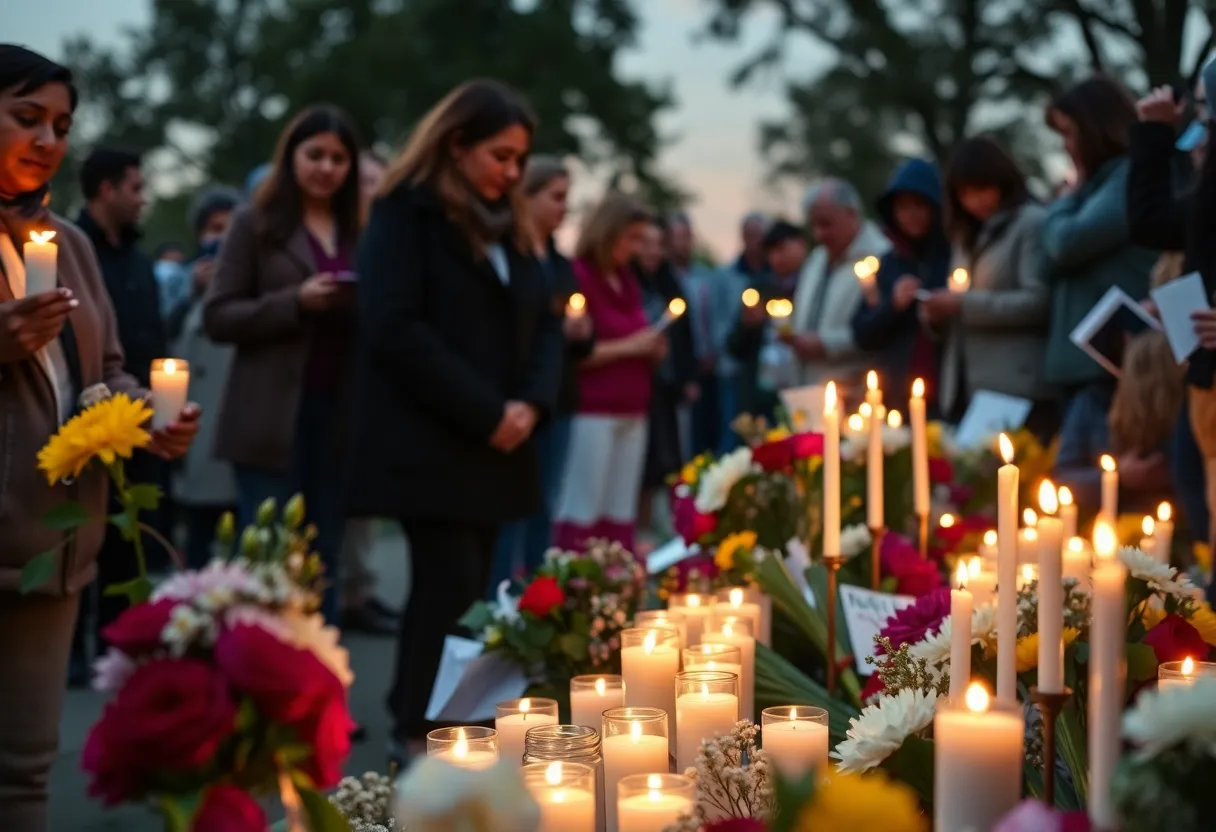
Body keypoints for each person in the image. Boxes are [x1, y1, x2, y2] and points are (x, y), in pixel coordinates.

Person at [0, 45, 198, 831]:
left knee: (24, 767)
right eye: (27, 117)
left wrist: (147, 416)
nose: (48, 138)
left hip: (52, 537)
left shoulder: (71, 245)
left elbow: (102, 373)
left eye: (61, 125)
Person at [343, 80, 561, 761]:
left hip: (501, 441)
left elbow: (546, 323)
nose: (513, 172)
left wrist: (531, 404)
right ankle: (419, 727)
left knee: (472, 590)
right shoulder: (406, 215)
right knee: (444, 586)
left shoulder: (510, 227)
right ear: (457, 143)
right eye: (501, 155)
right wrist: (487, 411)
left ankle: (457, 718)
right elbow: (395, 326)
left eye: (520, 159)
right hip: (435, 440)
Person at [205, 104, 363, 625]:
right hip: (269, 417)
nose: (326, 167)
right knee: (269, 554)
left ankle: (322, 668)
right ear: (290, 156)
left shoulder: (360, 230)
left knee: (326, 554)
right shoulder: (254, 223)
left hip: (339, 415)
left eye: (338, 158)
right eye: (315, 154)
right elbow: (219, 315)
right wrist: (295, 301)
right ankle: (262, 667)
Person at [72, 146, 173, 676]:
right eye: (135, 188)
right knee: (80, 534)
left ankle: (118, 646)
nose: (143, 199)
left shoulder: (139, 260)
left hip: (139, 419)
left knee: (127, 538)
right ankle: (71, 648)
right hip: (83, 422)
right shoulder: (69, 251)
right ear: (106, 189)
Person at [486, 155, 594, 592]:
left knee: (544, 503)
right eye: (556, 197)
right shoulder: (506, 256)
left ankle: (536, 595)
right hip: (515, 399)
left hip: (556, 398)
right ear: (526, 197)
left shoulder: (560, 264)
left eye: (567, 198)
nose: (563, 208)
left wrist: (581, 333)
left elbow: (575, 340)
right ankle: (500, 594)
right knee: (508, 506)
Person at [1127, 59, 1216, 574]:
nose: (1200, 123)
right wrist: (1154, 135)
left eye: (1204, 106)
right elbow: (1152, 223)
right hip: (1204, 383)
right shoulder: (1207, 193)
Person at [1042, 75, 1156, 469]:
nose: (1066, 146)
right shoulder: (1095, 188)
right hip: (1080, 369)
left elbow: (1066, 243)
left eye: (1069, 133)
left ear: (1095, 128)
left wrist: (1063, 200)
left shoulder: (1128, 178)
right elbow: (1047, 261)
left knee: (1096, 483)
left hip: (1107, 370)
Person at [920, 136, 1055, 437]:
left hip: (1017, 384)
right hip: (968, 385)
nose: (975, 201)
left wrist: (963, 304)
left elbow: (1038, 302)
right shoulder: (966, 234)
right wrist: (936, 315)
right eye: (965, 193)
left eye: (982, 189)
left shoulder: (1030, 224)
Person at [552, 192, 663, 552]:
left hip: (633, 407)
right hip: (593, 409)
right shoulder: (580, 276)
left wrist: (652, 348)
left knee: (619, 505)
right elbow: (576, 353)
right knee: (584, 503)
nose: (637, 248)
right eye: (632, 238)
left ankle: (614, 575)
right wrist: (633, 346)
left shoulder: (627, 280)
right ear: (609, 231)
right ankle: (576, 573)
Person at [340, 147, 399, 635]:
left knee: (363, 504)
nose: (371, 191)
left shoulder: (389, 239)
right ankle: (341, 591)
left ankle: (359, 589)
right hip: (337, 381)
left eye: (378, 181)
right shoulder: (339, 240)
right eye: (363, 181)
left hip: (374, 386)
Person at [172, 186, 241, 569]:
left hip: (238, 430)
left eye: (231, 228)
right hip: (199, 432)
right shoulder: (180, 289)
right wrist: (193, 293)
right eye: (215, 228)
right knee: (199, 535)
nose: (222, 239)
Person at [851, 162, 946, 406]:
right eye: (902, 207)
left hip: (947, 389)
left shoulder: (953, 256)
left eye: (919, 205)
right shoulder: (889, 263)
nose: (910, 215)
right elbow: (862, 333)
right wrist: (892, 305)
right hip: (895, 392)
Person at [634, 217, 696, 542]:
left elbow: (685, 335)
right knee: (639, 469)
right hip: (634, 389)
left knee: (661, 465)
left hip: (664, 388)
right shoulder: (629, 285)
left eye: (659, 244)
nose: (654, 251)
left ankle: (653, 536)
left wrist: (687, 375)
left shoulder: (667, 283)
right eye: (646, 243)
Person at [728, 219, 808, 420]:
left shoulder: (811, 286)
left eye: (781, 249)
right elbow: (733, 346)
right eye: (771, 252)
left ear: (801, 244)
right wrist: (748, 325)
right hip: (762, 394)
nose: (776, 258)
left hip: (803, 384)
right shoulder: (759, 289)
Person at [667, 213, 727, 455]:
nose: (684, 243)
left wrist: (713, 351)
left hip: (709, 365)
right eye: (678, 237)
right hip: (681, 368)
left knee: (710, 431)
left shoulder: (706, 276)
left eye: (688, 237)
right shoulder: (666, 279)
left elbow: (715, 317)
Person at [711, 211, 768, 451]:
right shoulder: (725, 276)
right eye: (750, 235)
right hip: (733, 366)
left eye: (759, 235)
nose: (755, 241)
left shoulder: (772, 276)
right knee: (733, 431)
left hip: (765, 368)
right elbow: (718, 321)